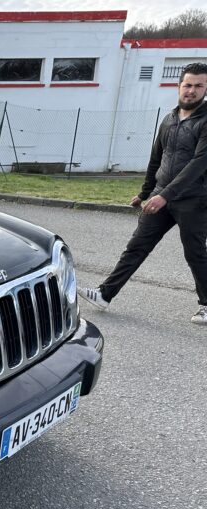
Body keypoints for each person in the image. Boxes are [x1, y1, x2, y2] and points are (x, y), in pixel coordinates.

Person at [78, 62, 207, 325]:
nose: (191, 91)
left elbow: (199, 164)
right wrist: (145, 192)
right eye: (187, 85)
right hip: (160, 195)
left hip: (193, 198)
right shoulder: (169, 119)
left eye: (198, 86)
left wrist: (165, 196)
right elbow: (156, 158)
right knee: (136, 247)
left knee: (195, 252)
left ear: (205, 89)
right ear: (179, 86)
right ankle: (105, 294)